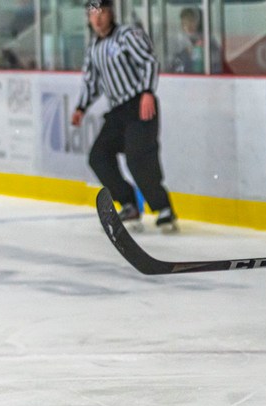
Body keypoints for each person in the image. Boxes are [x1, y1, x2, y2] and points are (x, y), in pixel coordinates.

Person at [71, 0, 177, 232]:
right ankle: (128, 202)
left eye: (101, 12)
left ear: (111, 13)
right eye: (92, 13)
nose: (97, 18)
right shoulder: (93, 48)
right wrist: (81, 108)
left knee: (138, 157)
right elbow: (91, 82)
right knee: (98, 156)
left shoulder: (127, 35)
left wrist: (148, 91)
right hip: (118, 111)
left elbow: (149, 60)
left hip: (140, 104)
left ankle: (163, 208)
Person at [170, 7, 205, 74]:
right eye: (185, 22)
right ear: (182, 24)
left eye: (191, 21)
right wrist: (185, 52)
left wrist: (204, 51)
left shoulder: (208, 40)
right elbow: (170, 63)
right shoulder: (175, 41)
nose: (189, 25)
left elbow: (216, 63)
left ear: (197, 23)